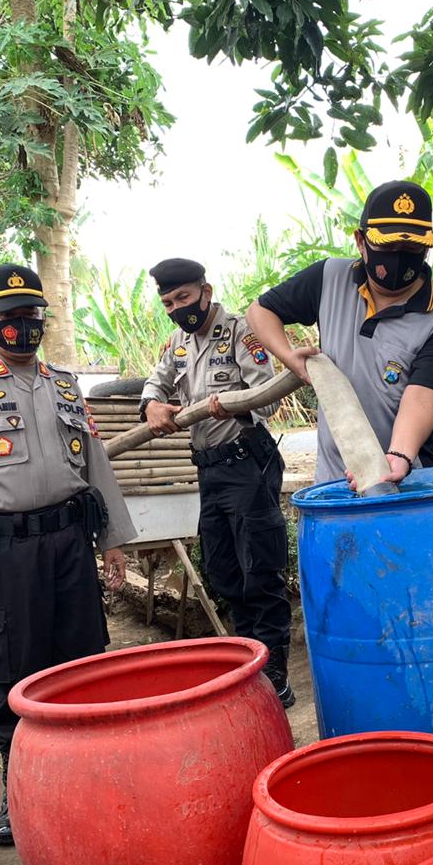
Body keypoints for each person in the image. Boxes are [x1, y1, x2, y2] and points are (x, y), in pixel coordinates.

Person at [0, 263, 135, 846]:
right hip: (4, 551)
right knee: (14, 668)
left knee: (84, 658)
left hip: (69, 542)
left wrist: (112, 538)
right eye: (10, 318)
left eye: (31, 316)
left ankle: (89, 775)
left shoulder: (64, 383)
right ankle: (20, 790)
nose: (23, 327)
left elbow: (94, 463)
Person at [139, 258, 294, 706]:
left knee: (260, 567)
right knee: (224, 569)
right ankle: (251, 660)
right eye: (168, 302)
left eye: (183, 298)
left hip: (248, 461)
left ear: (205, 290)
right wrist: (152, 403)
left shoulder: (241, 332)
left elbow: (268, 393)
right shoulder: (178, 342)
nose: (176, 308)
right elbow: (158, 380)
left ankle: (276, 671)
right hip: (208, 468)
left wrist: (234, 402)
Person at [246, 180, 433, 489]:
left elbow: (420, 397)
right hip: (335, 481)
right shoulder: (329, 279)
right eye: (387, 247)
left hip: (407, 479)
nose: (399, 257)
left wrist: (398, 457)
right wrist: (289, 357)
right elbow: (259, 311)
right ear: (361, 242)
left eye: (411, 248)